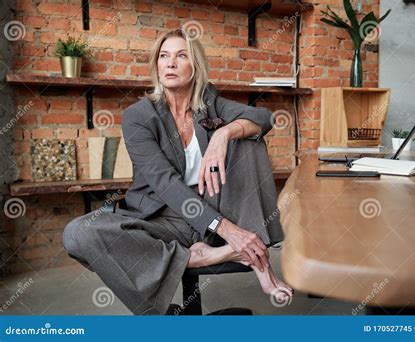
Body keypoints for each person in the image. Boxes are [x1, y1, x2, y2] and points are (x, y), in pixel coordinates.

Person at [63, 28, 293, 315]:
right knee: (78, 233)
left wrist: (223, 134)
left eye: (181, 55)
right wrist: (226, 231)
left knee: (248, 138)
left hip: (212, 212)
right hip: (163, 218)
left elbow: (264, 118)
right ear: (156, 65)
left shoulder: (209, 104)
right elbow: (165, 183)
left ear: (194, 66)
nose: (170, 63)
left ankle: (255, 257)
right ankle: (198, 258)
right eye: (164, 56)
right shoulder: (139, 116)